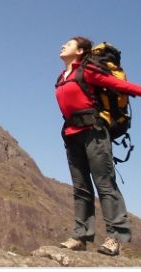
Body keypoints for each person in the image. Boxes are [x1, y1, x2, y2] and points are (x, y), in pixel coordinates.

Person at [56, 36, 141, 256]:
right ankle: (80, 237)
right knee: (81, 188)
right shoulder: (61, 77)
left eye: (69, 43)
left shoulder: (87, 72)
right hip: (72, 135)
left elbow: (119, 85)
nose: (63, 45)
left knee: (105, 184)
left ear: (80, 51)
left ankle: (115, 238)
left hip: (94, 133)